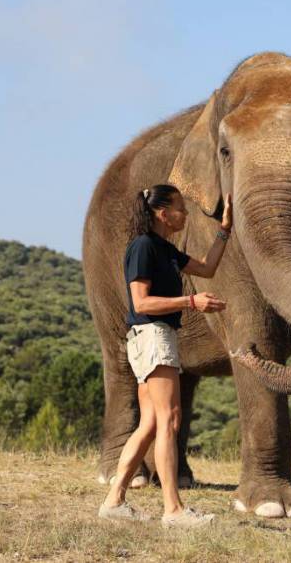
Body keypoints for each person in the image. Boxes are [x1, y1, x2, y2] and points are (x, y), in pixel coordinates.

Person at [98, 183, 231, 528]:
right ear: (162, 213)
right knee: (170, 419)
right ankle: (173, 511)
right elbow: (140, 302)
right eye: (181, 208)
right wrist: (191, 302)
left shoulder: (166, 250)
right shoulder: (143, 248)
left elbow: (206, 269)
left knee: (151, 424)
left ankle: (114, 501)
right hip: (153, 336)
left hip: (156, 337)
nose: (185, 214)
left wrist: (224, 231)